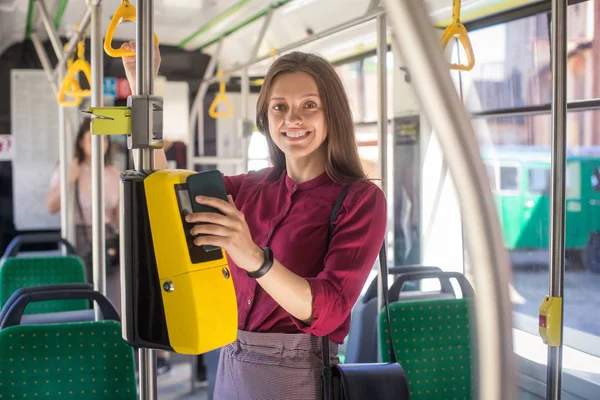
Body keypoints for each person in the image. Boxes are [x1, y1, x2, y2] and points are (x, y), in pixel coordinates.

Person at [120, 41, 386, 399]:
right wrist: (143, 91)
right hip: (230, 356)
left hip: (296, 372)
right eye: (280, 107)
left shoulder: (360, 199)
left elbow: (329, 309)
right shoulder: (250, 186)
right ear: (265, 118)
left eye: (309, 105)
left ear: (331, 115)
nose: (293, 119)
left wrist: (254, 258)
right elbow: (167, 194)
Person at [46, 119, 122, 312]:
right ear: (81, 141)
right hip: (78, 240)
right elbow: (51, 206)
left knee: (112, 299)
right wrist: (69, 179)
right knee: (81, 298)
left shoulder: (114, 173)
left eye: (103, 139)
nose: (98, 143)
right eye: (92, 138)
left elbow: (119, 216)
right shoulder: (69, 168)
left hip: (108, 240)